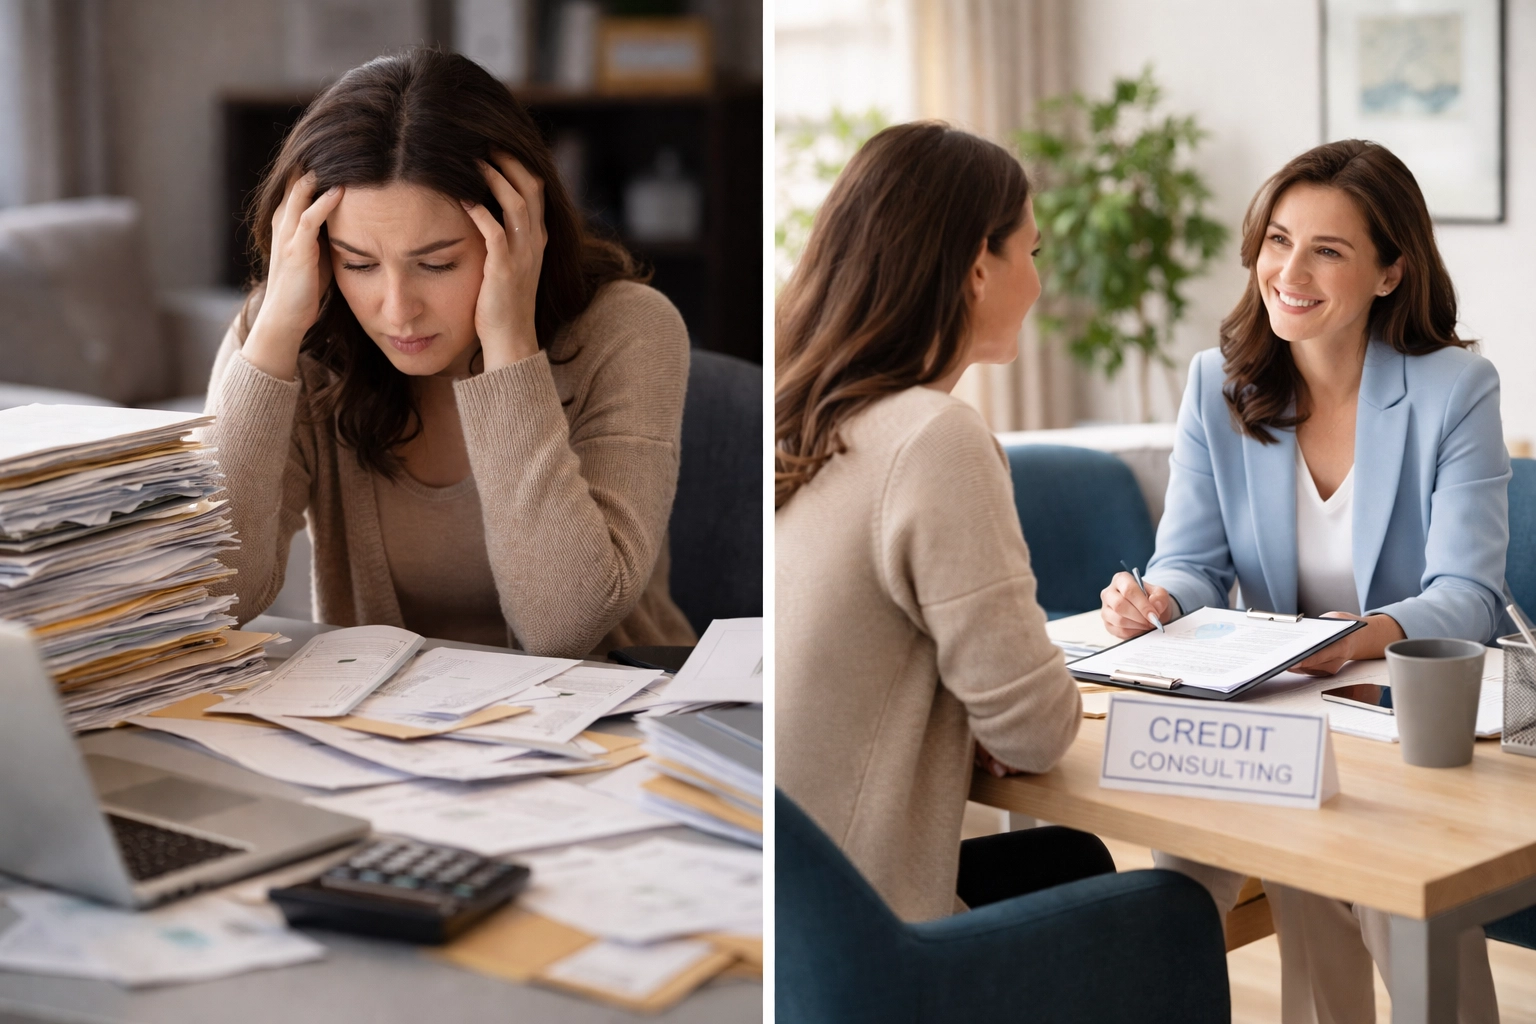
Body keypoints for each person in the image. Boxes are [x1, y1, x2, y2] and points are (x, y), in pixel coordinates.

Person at [1100, 139, 1509, 1023]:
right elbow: (1194, 561)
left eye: (1328, 250)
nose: (1290, 271)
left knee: (1398, 901)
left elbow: (1469, 595)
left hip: (1397, 724)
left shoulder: (1456, 390)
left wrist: (1349, 638)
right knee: (1171, 898)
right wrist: (1160, 601)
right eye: (1278, 239)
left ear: (1391, 272)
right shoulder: (1219, 383)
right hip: (1268, 716)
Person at [201, 48, 696, 659]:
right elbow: (212, 595)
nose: (397, 308)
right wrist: (274, 336)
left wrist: (510, 346)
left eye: (437, 263)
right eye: (359, 263)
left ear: (520, 233)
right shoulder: (286, 335)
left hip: (612, 723)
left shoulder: (630, 331)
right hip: (380, 735)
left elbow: (562, 626)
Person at [776, 121, 1101, 925]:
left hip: (791, 917)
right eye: (1030, 251)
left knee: (1074, 863)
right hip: (868, 940)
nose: (1036, 280)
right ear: (976, 269)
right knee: (1172, 915)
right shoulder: (933, 438)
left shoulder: (798, 412)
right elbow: (1033, 731)